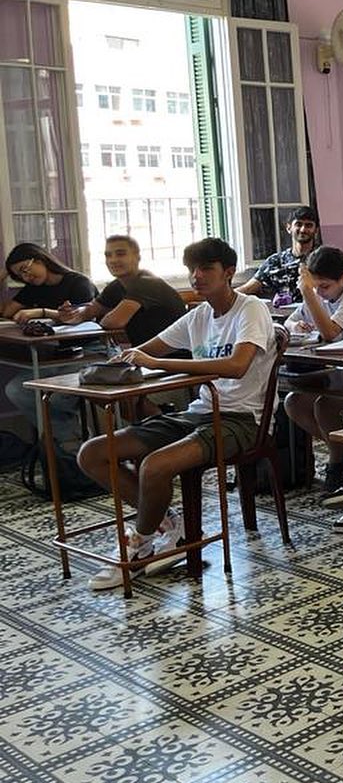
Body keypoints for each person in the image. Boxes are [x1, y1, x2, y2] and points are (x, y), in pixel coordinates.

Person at [77, 237, 277, 591]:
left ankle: (139, 549)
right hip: (201, 411)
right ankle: (164, 521)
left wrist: (158, 363)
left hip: (243, 420)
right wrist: (120, 362)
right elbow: (147, 350)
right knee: (93, 453)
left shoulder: (251, 310)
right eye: (192, 270)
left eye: (206, 269)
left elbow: (237, 365)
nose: (197, 277)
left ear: (228, 273)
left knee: (155, 465)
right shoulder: (198, 315)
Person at [281, 246, 343, 497]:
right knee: (294, 402)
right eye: (315, 286)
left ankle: (337, 463)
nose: (319, 293)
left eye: (324, 287)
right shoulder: (318, 293)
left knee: (324, 406)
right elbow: (289, 321)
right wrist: (296, 323)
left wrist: (308, 293)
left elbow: (330, 333)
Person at [2, 244, 98, 451]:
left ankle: (73, 444)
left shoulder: (78, 282)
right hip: (60, 356)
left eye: (25, 270)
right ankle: (70, 441)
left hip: (92, 352)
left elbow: (81, 315)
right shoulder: (34, 288)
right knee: (17, 390)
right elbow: (7, 311)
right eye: (19, 275)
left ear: (39, 259)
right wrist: (3, 276)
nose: (26, 277)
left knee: (57, 396)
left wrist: (42, 312)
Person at [56, 235, 186, 344]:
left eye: (120, 254)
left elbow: (113, 322)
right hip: (146, 354)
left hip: (175, 356)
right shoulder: (116, 285)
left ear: (137, 257)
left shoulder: (147, 283)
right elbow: (89, 311)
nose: (113, 260)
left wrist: (102, 315)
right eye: (108, 255)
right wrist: (71, 313)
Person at [237, 206, 319, 300]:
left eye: (308, 225)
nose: (303, 229)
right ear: (289, 228)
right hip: (280, 313)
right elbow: (249, 288)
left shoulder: (323, 259)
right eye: (298, 224)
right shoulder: (275, 261)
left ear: (316, 230)